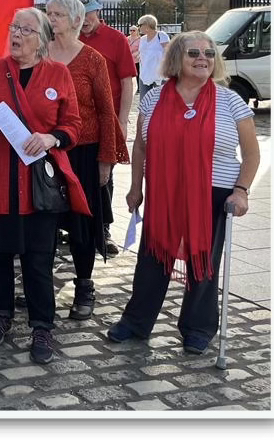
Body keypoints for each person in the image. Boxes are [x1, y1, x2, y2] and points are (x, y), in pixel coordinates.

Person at [108, 31, 260, 355]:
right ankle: (136, 321)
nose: (203, 58)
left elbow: (251, 153)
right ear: (177, 58)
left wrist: (242, 192)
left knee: (202, 261)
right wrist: (136, 187)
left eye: (208, 53)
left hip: (213, 193)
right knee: (152, 258)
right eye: (194, 52)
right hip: (164, 192)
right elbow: (140, 146)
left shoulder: (229, 100)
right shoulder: (153, 98)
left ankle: (198, 327)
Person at [0, 8, 88, 365]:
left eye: (26, 30)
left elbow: (74, 126)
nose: (16, 34)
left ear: (41, 40)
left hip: (37, 186)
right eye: (14, 27)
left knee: (38, 261)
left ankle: (43, 325)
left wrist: (50, 138)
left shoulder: (57, 74)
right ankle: (1, 315)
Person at [47, 0, 129, 320]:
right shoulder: (41, 55)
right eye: (49, 14)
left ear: (76, 20)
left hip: (84, 152)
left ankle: (84, 286)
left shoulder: (92, 59)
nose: (51, 20)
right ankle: (38, 283)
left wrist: (106, 159)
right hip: (48, 151)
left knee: (82, 224)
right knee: (44, 221)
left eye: (57, 15)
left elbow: (107, 112)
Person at [76, 0, 136, 257]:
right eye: (80, 13)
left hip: (107, 118)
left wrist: (122, 120)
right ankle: (73, 226)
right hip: (76, 121)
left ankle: (104, 227)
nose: (85, 18)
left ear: (97, 11)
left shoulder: (115, 39)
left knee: (105, 175)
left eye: (89, 12)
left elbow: (127, 81)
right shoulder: (69, 38)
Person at [137, 14, 170, 103]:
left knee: (160, 101)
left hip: (160, 74)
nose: (138, 27)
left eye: (140, 25)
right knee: (144, 101)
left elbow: (169, 52)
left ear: (147, 25)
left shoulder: (161, 35)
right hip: (145, 73)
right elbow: (141, 54)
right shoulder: (142, 39)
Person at [127, 24, 141, 91]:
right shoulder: (127, 39)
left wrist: (136, 54)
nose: (132, 32)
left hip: (136, 59)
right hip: (128, 59)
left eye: (134, 30)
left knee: (137, 73)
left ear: (137, 31)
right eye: (131, 30)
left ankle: (137, 87)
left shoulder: (140, 39)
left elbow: (141, 49)